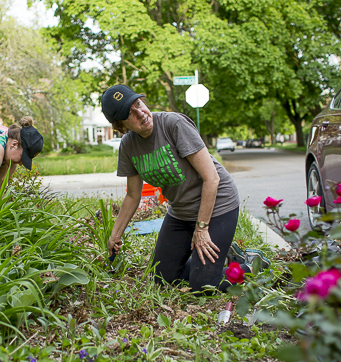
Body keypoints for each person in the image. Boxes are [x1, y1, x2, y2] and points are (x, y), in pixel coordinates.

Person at [102, 85, 243, 295]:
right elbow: (133, 195)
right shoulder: (128, 145)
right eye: (129, 114)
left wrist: (202, 229)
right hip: (181, 213)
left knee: (203, 286)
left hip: (217, 206)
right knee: (161, 278)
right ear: (120, 125)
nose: (141, 113)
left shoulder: (173, 124)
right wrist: (115, 234)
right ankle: (214, 262)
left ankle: (249, 265)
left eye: (138, 104)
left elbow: (211, 178)